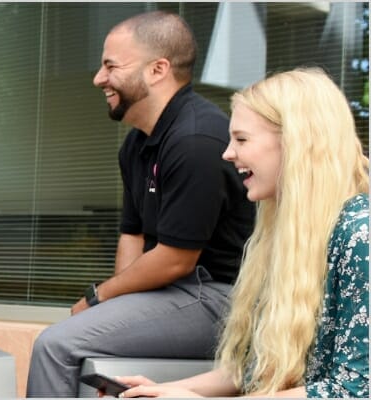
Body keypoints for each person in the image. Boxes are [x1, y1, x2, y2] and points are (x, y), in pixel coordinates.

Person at [26, 11, 255, 397]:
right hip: (175, 291)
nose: (99, 78)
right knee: (80, 340)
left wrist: (100, 296)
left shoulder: (196, 139)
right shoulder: (136, 143)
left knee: (55, 345)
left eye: (111, 66)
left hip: (221, 297)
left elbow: (176, 258)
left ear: (157, 69)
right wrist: (112, 307)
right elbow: (132, 236)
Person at [114, 68, 369, 398]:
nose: (227, 153)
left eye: (242, 139)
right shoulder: (285, 235)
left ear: (295, 142)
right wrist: (165, 390)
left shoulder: (360, 235)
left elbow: (355, 389)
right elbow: (255, 371)